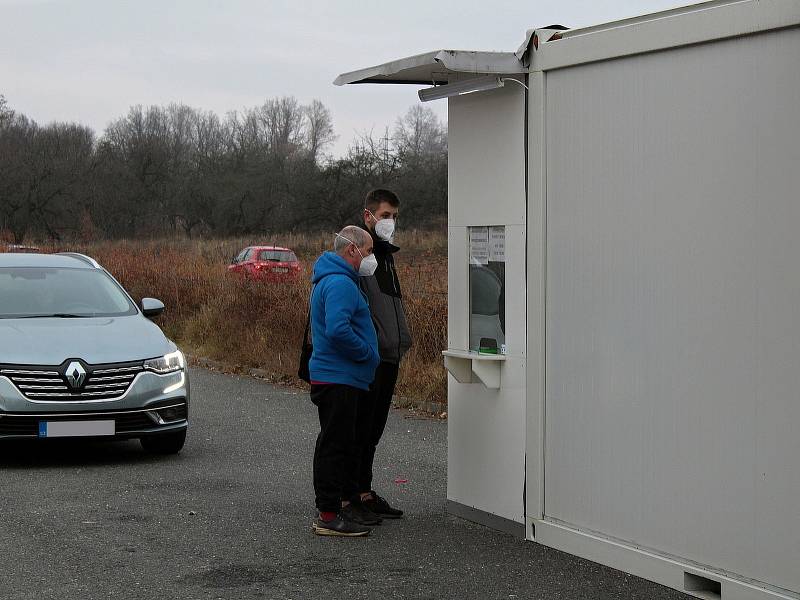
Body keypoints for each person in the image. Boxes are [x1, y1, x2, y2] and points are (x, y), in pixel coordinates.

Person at [309, 225, 382, 537]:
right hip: (337, 377)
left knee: (340, 441)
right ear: (352, 250)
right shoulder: (340, 283)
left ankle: (341, 504)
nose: (370, 258)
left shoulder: (338, 280)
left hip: (342, 377)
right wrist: (366, 352)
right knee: (334, 444)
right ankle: (328, 513)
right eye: (367, 251)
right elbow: (338, 330)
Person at [351, 189, 412, 519]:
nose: (390, 222)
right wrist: (370, 344)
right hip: (371, 357)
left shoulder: (386, 257)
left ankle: (364, 489)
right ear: (369, 216)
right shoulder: (359, 257)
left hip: (391, 354)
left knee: (374, 429)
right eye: (386, 216)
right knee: (361, 428)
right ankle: (352, 495)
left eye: (394, 217)